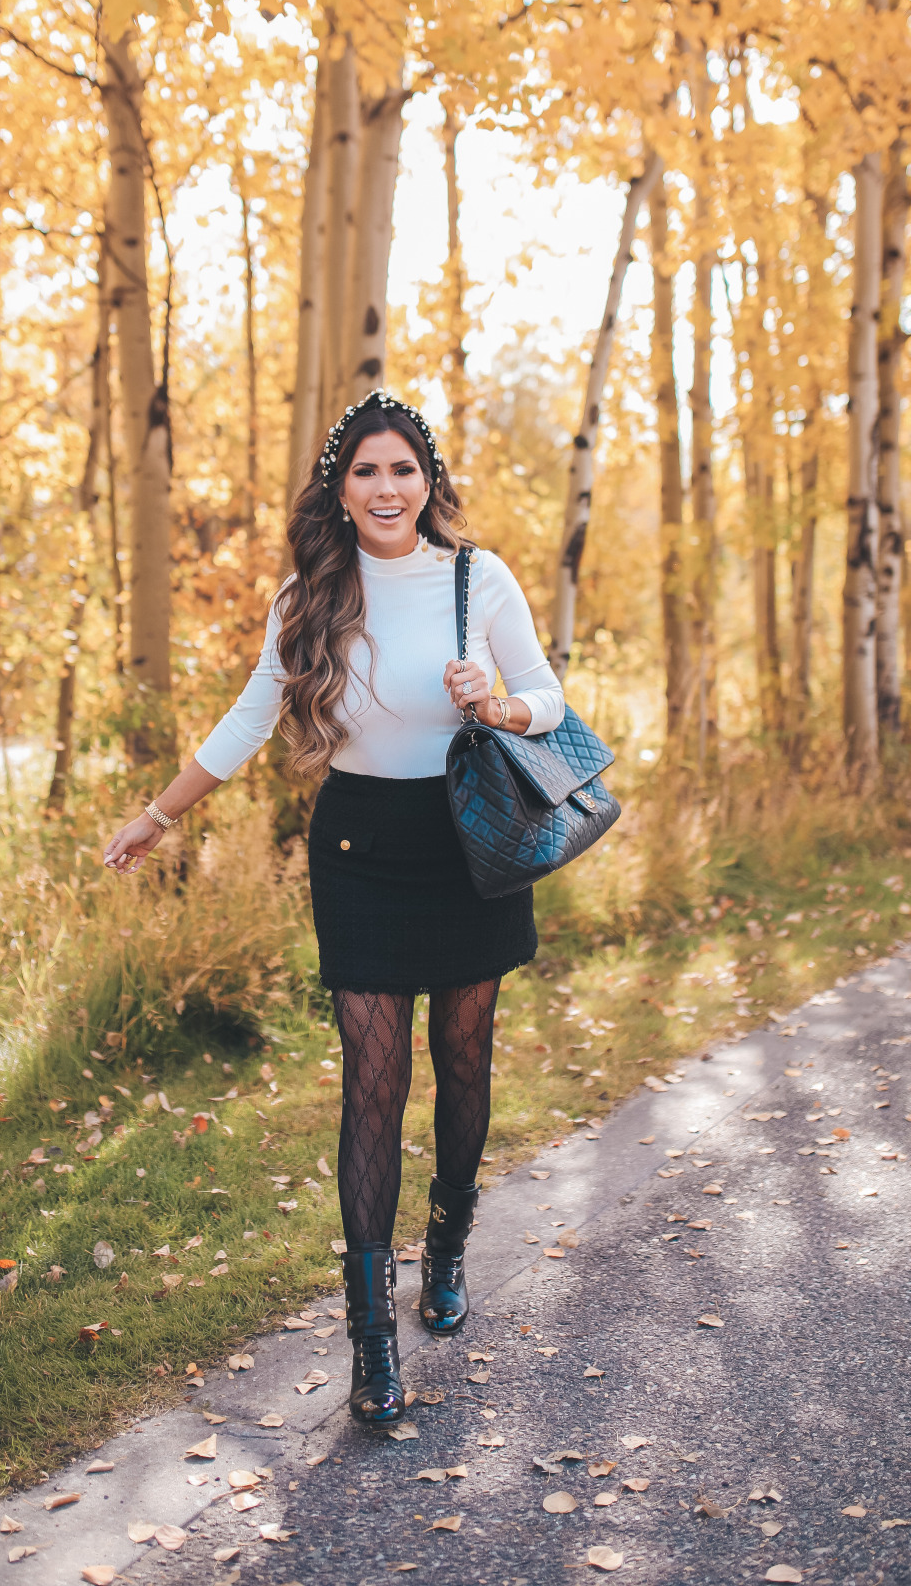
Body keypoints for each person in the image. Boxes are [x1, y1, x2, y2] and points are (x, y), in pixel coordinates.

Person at [104, 387, 565, 1427]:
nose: (386, 486)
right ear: (339, 487)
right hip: (359, 845)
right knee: (372, 1076)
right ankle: (370, 1341)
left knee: (463, 1051)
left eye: (402, 468)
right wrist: (158, 814)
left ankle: (444, 1248)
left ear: (427, 481)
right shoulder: (311, 591)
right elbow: (248, 715)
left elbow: (551, 697)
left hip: (467, 836)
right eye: (365, 470)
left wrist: (497, 702)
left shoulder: (474, 577)